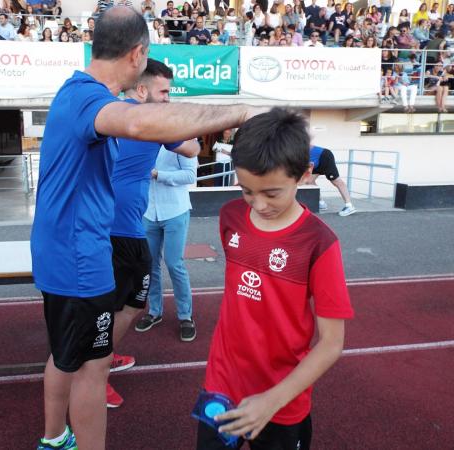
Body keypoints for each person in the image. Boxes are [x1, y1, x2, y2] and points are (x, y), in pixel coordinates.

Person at [31, 6, 259, 450]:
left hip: (65, 252)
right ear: (138, 54)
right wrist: (240, 112)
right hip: (80, 257)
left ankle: (54, 439)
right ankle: (65, 441)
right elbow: (139, 121)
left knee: (65, 356)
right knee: (92, 368)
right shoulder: (89, 98)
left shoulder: (77, 94)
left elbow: (152, 129)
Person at [197, 108, 353, 449]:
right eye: (247, 190)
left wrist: (272, 399)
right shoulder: (230, 217)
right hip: (222, 382)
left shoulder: (320, 243)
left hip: (282, 398)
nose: (258, 204)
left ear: (305, 175)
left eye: (272, 193)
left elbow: (331, 342)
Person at [108, 58, 200, 407]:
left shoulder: (112, 113)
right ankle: (97, 369)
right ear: (142, 89)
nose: (167, 100)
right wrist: (180, 121)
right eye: (164, 92)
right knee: (121, 303)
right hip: (123, 230)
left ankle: (104, 356)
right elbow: (192, 148)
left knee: (130, 297)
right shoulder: (151, 121)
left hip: (124, 224)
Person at [135, 138, 199, 341]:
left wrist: (157, 174)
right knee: (150, 265)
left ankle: (185, 316)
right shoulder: (141, 139)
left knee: (174, 264)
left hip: (175, 210)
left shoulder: (183, 139)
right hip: (148, 211)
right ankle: (155, 311)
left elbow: (190, 175)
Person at [303, 145, 356, 216]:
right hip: (315, 162)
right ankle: (321, 203)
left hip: (324, 156)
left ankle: (349, 206)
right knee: (309, 181)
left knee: (336, 181)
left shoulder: (292, 146)